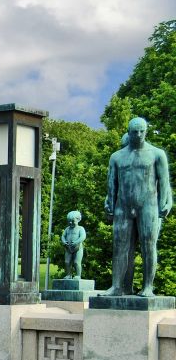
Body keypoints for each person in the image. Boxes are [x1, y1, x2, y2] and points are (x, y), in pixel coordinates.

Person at [102, 117, 172, 297]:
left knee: (149, 246)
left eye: (142, 131)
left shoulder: (157, 154)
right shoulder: (116, 157)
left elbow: (164, 182)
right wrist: (109, 204)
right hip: (123, 207)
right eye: (135, 131)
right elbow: (112, 184)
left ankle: (148, 286)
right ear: (128, 132)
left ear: (146, 131)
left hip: (148, 206)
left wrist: (166, 202)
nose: (139, 135)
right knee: (120, 247)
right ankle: (117, 286)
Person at [61, 211, 86, 279]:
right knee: (67, 262)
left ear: (78, 219)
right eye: (69, 221)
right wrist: (64, 241)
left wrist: (76, 242)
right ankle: (68, 275)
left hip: (77, 248)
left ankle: (78, 275)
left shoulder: (80, 228)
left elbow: (83, 237)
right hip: (68, 248)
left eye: (72, 221)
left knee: (76, 262)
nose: (70, 223)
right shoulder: (67, 229)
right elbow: (63, 236)